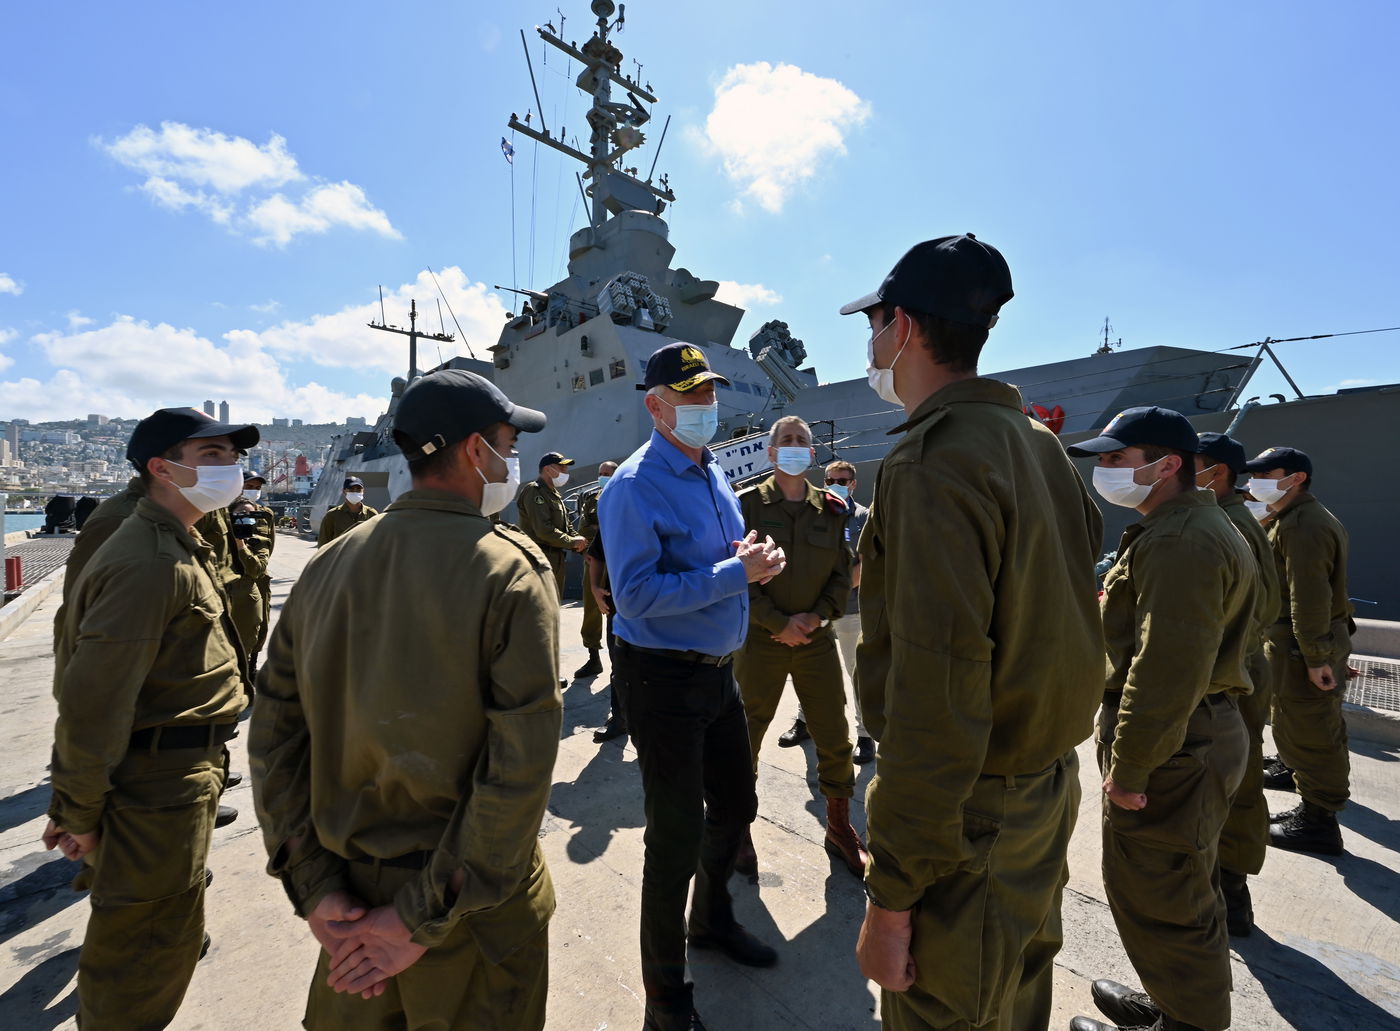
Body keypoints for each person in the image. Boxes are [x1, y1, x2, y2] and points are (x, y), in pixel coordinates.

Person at [845, 236, 1105, 1031]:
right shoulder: (1040, 446)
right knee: (1016, 998)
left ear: (909, 330)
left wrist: (891, 900)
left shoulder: (932, 463)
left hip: (970, 816)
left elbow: (935, 694)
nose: (873, 341)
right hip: (1043, 792)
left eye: (878, 322)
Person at [250, 369, 562, 1030]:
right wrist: (414, 920)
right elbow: (517, 769)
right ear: (477, 451)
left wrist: (315, 888)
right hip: (467, 921)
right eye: (509, 441)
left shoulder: (325, 565)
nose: (515, 459)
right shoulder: (510, 569)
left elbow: (274, 738)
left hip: (349, 913)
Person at [44, 406, 257, 1028]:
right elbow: (94, 699)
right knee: (144, 951)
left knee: (160, 931)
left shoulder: (173, 538)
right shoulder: (147, 559)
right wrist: (78, 809)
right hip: (155, 781)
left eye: (233, 456)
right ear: (163, 469)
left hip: (177, 770)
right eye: (213, 456)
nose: (232, 469)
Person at [598, 341, 787, 1031]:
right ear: (656, 405)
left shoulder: (716, 477)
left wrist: (749, 558)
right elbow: (637, 595)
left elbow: (715, 563)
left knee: (737, 804)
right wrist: (738, 576)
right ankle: (666, 998)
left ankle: (709, 919)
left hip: (718, 672)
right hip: (663, 676)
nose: (707, 406)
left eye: (709, 393)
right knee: (673, 834)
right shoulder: (632, 485)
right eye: (690, 397)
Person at [1067, 406, 1258, 1031]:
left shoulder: (1182, 540)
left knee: (1166, 895)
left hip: (1177, 742)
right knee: (1172, 884)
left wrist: (1130, 767)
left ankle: (1188, 1023)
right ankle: (1176, 1003)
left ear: (1167, 465)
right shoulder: (1193, 524)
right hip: (1193, 734)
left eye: (1116, 459)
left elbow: (1166, 669)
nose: (1104, 470)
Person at [733, 416, 865, 878]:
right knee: (744, 735)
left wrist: (816, 616)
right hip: (760, 641)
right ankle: (738, 827)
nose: (793, 446)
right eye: (784, 440)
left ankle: (839, 826)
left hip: (815, 640)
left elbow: (842, 571)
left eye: (802, 442)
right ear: (770, 453)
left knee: (834, 733)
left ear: (813, 454)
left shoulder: (833, 509)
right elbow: (735, 573)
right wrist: (777, 622)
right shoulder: (745, 505)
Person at [1245, 446, 1354, 856]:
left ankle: (1318, 821)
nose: (1256, 481)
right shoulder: (1297, 517)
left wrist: (1316, 657)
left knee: (1312, 732)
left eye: (1265, 473)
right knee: (1301, 722)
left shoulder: (1301, 526)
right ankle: (1295, 771)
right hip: (1299, 643)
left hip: (1300, 645)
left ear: (1296, 478)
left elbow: (1308, 599)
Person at [1195, 432, 1282, 936]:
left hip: (1233, 671)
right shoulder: (1240, 520)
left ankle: (1228, 892)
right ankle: (1231, 887)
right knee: (1239, 779)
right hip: (1245, 666)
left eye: (1194, 466)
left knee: (1233, 784)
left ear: (1218, 473)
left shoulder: (1226, 524)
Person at [779, 459, 875, 765]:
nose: (836, 484)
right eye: (831, 479)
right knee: (807, 669)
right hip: (811, 610)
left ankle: (864, 735)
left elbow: (863, 566)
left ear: (853, 484)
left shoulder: (861, 517)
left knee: (856, 672)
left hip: (848, 610)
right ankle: (804, 721)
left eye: (843, 481)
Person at [516, 451, 587, 600]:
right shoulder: (534, 491)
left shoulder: (555, 494)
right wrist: (572, 542)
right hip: (539, 559)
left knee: (553, 606)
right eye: (562, 468)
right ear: (548, 469)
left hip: (557, 557)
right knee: (539, 607)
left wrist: (581, 542)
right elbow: (543, 530)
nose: (566, 472)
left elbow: (567, 526)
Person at [574, 460, 619, 680]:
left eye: (607, 473)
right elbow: (583, 527)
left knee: (614, 609)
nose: (602, 476)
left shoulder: (624, 495)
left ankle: (617, 663)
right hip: (594, 560)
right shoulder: (593, 499)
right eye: (600, 473)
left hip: (616, 563)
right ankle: (593, 657)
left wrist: (600, 528)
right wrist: (602, 529)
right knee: (591, 609)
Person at [225, 498, 272, 672]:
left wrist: (241, 545)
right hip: (222, 598)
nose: (245, 518)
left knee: (243, 650)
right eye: (240, 514)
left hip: (245, 601)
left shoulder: (260, 541)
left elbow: (256, 570)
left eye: (249, 515)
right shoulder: (220, 540)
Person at [241, 470, 277, 667]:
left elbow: (270, 544)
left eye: (257, 488)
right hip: (237, 576)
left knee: (261, 623)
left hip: (260, 575)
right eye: (249, 487)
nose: (253, 491)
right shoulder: (228, 511)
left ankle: (253, 663)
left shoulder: (266, 514)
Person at [318, 476, 378, 546]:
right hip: (340, 556)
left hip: (363, 556)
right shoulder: (332, 515)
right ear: (344, 491)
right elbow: (323, 542)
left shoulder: (371, 514)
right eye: (351, 489)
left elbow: (379, 540)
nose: (355, 492)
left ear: (363, 491)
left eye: (358, 489)